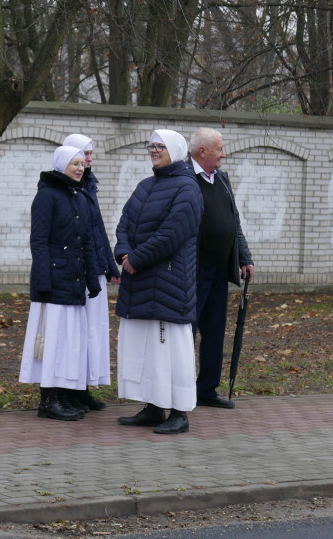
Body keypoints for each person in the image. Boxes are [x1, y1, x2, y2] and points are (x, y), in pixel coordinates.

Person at [113, 129, 202, 435]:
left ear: (176, 150)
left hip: (169, 284)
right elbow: (124, 223)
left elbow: (171, 236)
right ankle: (153, 406)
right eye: (151, 146)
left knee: (171, 353)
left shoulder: (188, 190)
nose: (153, 150)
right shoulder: (145, 185)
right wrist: (123, 252)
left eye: (160, 146)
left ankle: (179, 412)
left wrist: (135, 260)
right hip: (140, 283)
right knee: (146, 350)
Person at [19, 145, 101, 421]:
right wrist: (43, 281)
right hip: (54, 283)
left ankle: (64, 396)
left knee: (69, 342)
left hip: (74, 282)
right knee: (52, 342)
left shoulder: (78, 196)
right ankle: (48, 401)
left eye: (82, 163)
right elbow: (39, 241)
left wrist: (93, 280)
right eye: (74, 163)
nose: (80, 168)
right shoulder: (46, 196)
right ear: (61, 165)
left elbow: (86, 242)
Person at [189, 127, 255, 410]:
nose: (223, 155)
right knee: (186, 332)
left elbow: (234, 222)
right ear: (202, 151)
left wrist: (244, 257)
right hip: (192, 271)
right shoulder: (185, 179)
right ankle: (180, 390)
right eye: (219, 149)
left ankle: (207, 389)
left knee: (215, 331)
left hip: (219, 270)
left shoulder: (223, 180)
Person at [62, 133, 119, 412]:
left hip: (93, 267)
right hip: (77, 270)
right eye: (85, 154)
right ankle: (69, 390)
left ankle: (83, 388)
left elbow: (97, 229)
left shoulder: (89, 186)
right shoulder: (66, 188)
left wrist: (109, 265)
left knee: (92, 332)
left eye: (90, 155)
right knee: (75, 333)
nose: (88, 160)